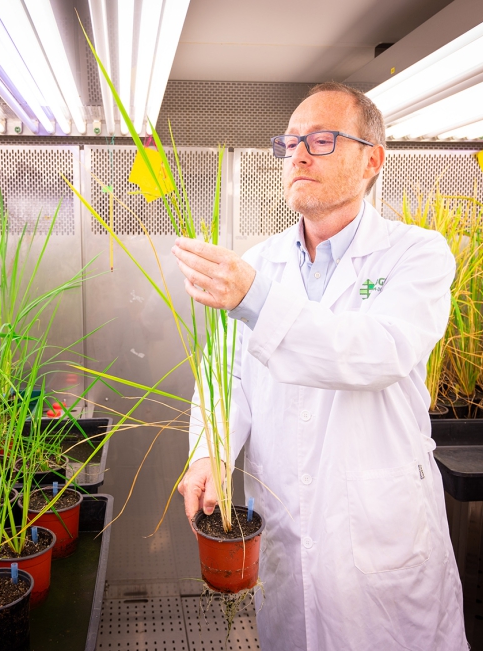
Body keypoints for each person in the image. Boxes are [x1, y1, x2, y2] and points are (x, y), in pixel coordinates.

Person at [173, 82, 467, 650]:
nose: (299, 154)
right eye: (291, 142)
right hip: (287, 528)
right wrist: (210, 449)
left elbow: (376, 351)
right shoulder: (261, 264)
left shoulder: (418, 255)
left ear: (371, 160)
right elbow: (224, 375)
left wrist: (254, 300)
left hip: (381, 534)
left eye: (322, 139)